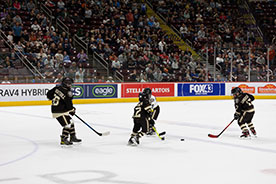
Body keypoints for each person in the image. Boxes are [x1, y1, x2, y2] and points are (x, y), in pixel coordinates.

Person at [46, 77, 82, 146]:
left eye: (70, 83)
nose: (70, 85)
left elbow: (49, 95)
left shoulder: (57, 88)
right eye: (68, 84)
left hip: (58, 109)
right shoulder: (68, 93)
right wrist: (72, 110)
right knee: (67, 124)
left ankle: (73, 136)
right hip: (59, 111)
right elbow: (69, 105)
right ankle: (63, 139)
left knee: (71, 122)